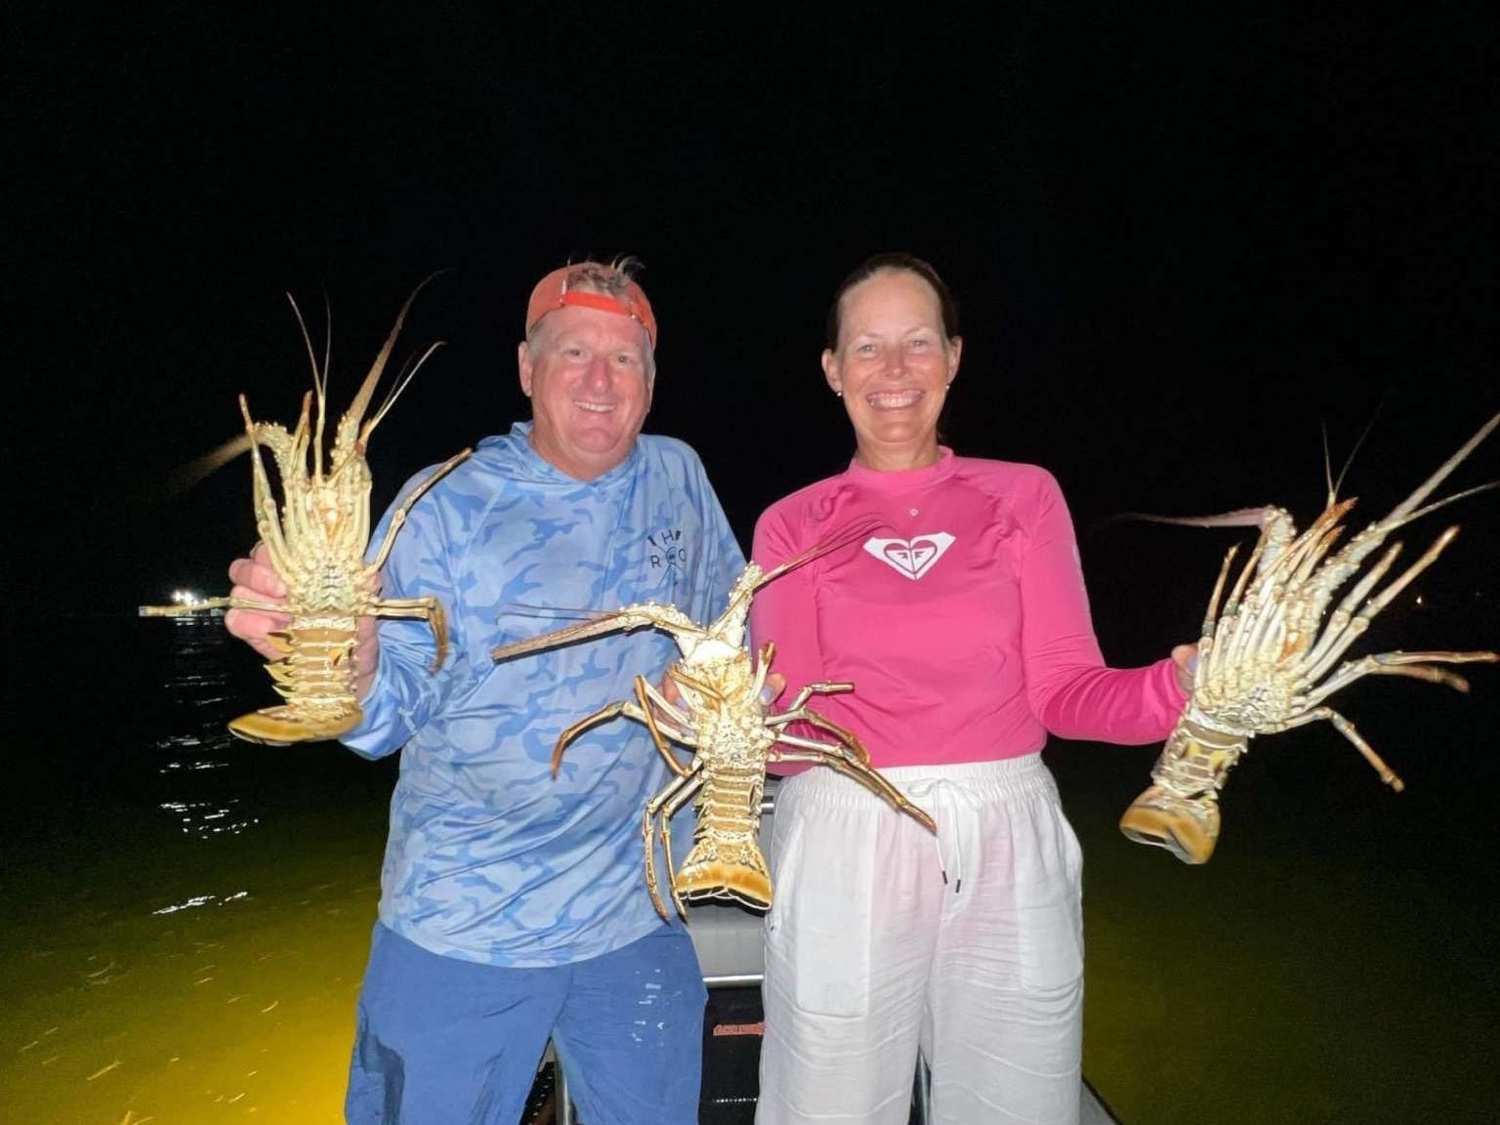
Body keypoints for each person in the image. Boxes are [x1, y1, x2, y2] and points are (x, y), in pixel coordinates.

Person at [225, 260, 745, 1124]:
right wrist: (333, 652)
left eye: (626, 360)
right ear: (525, 367)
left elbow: (734, 617)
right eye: (573, 351)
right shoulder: (442, 504)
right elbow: (382, 711)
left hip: (634, 919)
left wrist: (713, 683)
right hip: (460, 928)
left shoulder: (678, 478)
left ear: (652, 383)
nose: (599, 380)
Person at [749, 253, 1195, 1125]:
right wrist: (720, 721)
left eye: (918, 343)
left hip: (1006, 830)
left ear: (954, 357)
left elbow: (1066, 690)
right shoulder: (793, 521)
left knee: (1017, 1103)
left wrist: (1178, 688)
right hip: (846, 830)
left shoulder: (1022, 496)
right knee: (826, 1104)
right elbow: (786, 736)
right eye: (868, 347)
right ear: (833, 369)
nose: (894, 370)